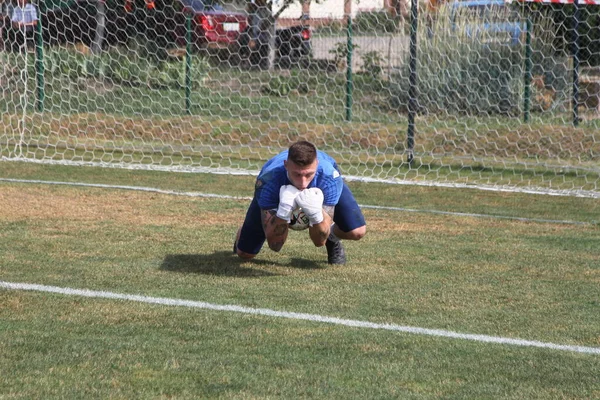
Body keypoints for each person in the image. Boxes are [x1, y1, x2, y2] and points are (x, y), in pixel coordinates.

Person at [234, 141, 366, 265]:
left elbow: (319, 242)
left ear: (317, 165)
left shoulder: (329, 177)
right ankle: (246, 230)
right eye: (296, 174)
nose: (303, 184)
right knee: (245, 254)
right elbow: (275, 245)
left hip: (325, 180)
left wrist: (316, 214)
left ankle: (332, 239)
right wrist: (283, 211)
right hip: (273, 189)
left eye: (309, 174)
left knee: (357, 231)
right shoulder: (268, 181)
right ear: (286, 165)